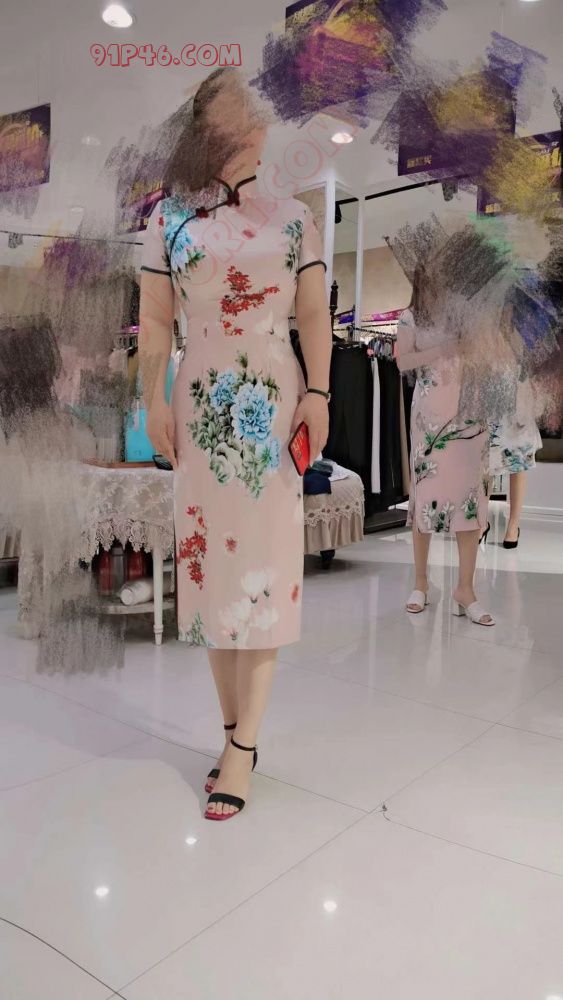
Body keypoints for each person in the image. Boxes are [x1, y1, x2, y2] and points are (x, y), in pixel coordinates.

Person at [139, 67, 332, 821]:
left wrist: (319, 392)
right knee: (211, 572)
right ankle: (231, 736)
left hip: (272, 401)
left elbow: (312, 315)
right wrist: (152, 399)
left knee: (265, 568)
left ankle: (244, 746)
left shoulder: (294, 217)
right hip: (200, 401)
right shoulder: (168, 218)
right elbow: (156, 320)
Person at [396, 265, 494, 626]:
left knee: (470, 500)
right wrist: (441, 349)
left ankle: (465, 590)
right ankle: (421, 583)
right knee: (424, 498)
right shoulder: (410, 317)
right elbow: (402, 361)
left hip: (470, 416)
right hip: (430, 421)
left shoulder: (467, 316)